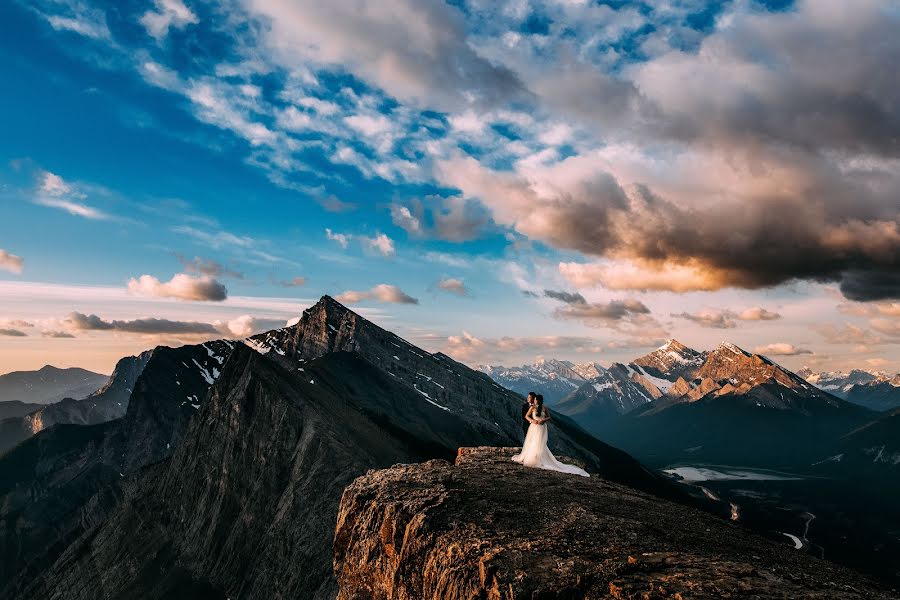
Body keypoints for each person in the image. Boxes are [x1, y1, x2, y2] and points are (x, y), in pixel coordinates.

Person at [512, 393, 589, 477]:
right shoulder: (532, 407)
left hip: (542, 427)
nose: (533, 400)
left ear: (538, 400)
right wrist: (533, 421)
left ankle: (538, 457)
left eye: (535, 399)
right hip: (534, 426)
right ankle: (532, 457)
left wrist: (543, 420)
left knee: (540, 442)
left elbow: (549, 417)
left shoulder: (544, 408)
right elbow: (526, 416)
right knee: (533, 441)